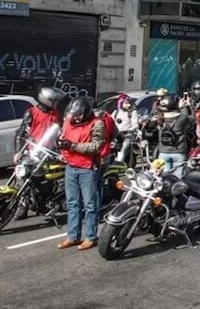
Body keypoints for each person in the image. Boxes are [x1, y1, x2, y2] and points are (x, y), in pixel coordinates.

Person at [57, 98, 106, 250]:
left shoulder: (97, 124)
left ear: (86, 113)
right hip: (70, 167)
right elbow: (62, 138)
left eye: (79, 115)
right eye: (74, 115)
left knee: (90, 204)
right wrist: (60, 147)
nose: (75, 118)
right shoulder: (68, 121)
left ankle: (90, 237)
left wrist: (72, 146)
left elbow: (96, 146)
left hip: (87, 168)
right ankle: (73, 236)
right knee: (73, 203)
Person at [13, 86, 67, 220]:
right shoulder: (31, 112)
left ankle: (47, 202)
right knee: (22, 178)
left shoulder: (56, 115)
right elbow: (21, 133)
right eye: (54, 101)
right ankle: (22, 206)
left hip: (48, 152)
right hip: (32, 150)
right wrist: (18, 152)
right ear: (47, 100)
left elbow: (61, 133)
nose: (56, 104)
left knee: (49, 178)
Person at [151, 93, 195, 176]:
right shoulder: (181, 118)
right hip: (178, 152)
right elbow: (193, 119)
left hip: (163, 153)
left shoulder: (160, 118)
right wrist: (187, 106)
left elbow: (157, 111)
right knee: (178, 182)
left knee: (164, 179)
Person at [113, 94, 141, 164]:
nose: (128, 105)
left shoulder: (132, 112)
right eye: (126, 103)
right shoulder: (116, 112)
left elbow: (135, 125)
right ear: (120, 103)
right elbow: (110, 122)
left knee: (122, 149)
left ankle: (118, 165)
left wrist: (128, 131)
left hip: (128, 136)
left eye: (129, 103)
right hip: (116, 136)